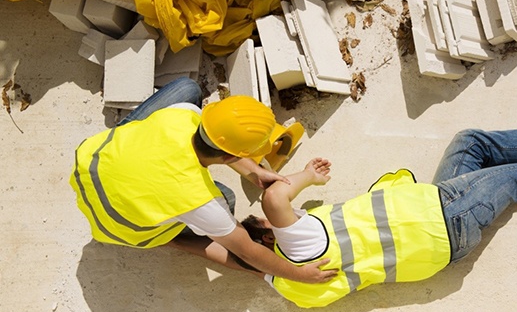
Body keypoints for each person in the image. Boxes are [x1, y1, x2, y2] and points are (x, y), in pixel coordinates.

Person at [241, 91, 517, 308]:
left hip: (435, 225)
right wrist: (304, 177)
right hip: (442, 218)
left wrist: (212, 243)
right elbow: (276, 198)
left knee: (470, 143)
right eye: (265, 226)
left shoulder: (289, 286)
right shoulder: (300, 245)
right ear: (268, 237)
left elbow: (237, 256)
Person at [70, 77, 337, 284]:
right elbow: (247, 253)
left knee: (187, 88)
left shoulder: (182, 114)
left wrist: (253, 171)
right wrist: (300, 275)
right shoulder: (203, 202)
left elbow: (219, 144)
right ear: (232, 156)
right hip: (118, 226)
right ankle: (168, 237)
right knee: (228, 200)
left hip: (90, 165)